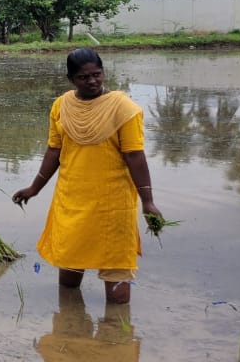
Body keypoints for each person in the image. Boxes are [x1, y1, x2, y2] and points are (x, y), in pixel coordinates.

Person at [13, 48, 162, 305]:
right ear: (71, 79)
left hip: (113, 203)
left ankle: (115, 327)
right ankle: (70, 323)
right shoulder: (62, 106)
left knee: (116, 270)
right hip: (72, 199)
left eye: (97, 74)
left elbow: (134, 156)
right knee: (69, 266)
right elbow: (54, 150)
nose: (92, 81)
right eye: (84, 77)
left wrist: (147, 201)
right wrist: (34, 188)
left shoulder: (123, 108)